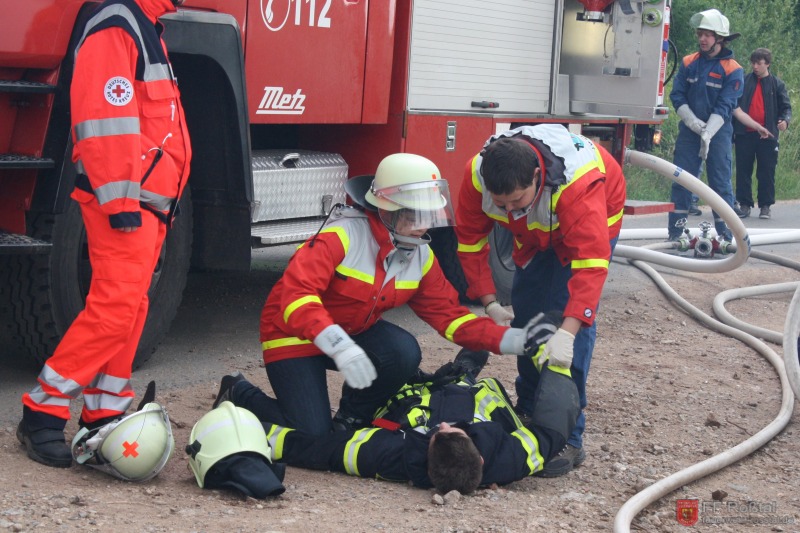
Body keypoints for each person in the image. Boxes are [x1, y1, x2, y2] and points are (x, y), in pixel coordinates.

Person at [257, 153, 545, 439]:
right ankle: (239, 394)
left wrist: (514, 340)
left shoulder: (420, 254)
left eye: (429, 215)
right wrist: (337, 343)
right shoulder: (341, 236)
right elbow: (296, 297)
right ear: (387, 209)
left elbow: (450, 317)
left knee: (402, 352)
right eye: (415, 215)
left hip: (351, 333)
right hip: (293, 335)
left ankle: (352, 416)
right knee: (312, 434)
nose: (424, 226)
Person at [17, 0, 191, 468]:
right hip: (126, 203)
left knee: (131, 310)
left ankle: (103, 415)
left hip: (148, 205)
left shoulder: (145, 24)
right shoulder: (118, 22)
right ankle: (42, 413)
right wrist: (119, 203)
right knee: (114, 310)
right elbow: (103, 120)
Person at [453, 123, 626, 477]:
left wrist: (568, 331)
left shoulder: (579, 185)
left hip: (592, 220)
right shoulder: (477, 177)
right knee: (529, 317)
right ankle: (531, 407)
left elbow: (590, 267)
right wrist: (489, 303)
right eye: (501, 204)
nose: (510, 209)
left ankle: (567, 435)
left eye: (516, 200)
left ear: (536, 176)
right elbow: (470, 243)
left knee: (566, 322)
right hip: (536, 234)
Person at [213, 341, 580, 494]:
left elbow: (322, 450)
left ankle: (238, 389)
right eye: (454, 431)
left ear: (427, 450)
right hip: (468, 393)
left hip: (411, 396)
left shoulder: (393, 455)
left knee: (326, 424)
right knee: (467, 373)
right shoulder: (510, 459)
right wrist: (555, 364)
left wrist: (257, 438)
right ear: (481, 457)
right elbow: (552, 428)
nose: (443, 426)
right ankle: (465, 366)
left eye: (439, 433)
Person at [667, 8, 743, 242]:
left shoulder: (733, 69)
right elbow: (677, 96)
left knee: (720, 182)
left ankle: (727, 237)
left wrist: (708, 132)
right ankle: (676, 233)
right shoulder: (689, 62)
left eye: (707, 35)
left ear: (719, 38)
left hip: (718, 134)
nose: (702, 38)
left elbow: (726, 105)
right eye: (700, 34)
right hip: (690, 132)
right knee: (682, 180)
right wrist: (695, 125)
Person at [733, 48, 792, 220]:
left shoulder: (777, 84)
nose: (755, 66)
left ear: (767, 64)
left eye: (759, 63)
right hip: (745, 133)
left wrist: (784, 121)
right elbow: (735, 106)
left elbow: (786, 107)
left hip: (768, 134)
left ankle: (765, 205)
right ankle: (744, 204)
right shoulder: (744, 82)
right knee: (743, 169)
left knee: (766, 170)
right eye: (753, 63)